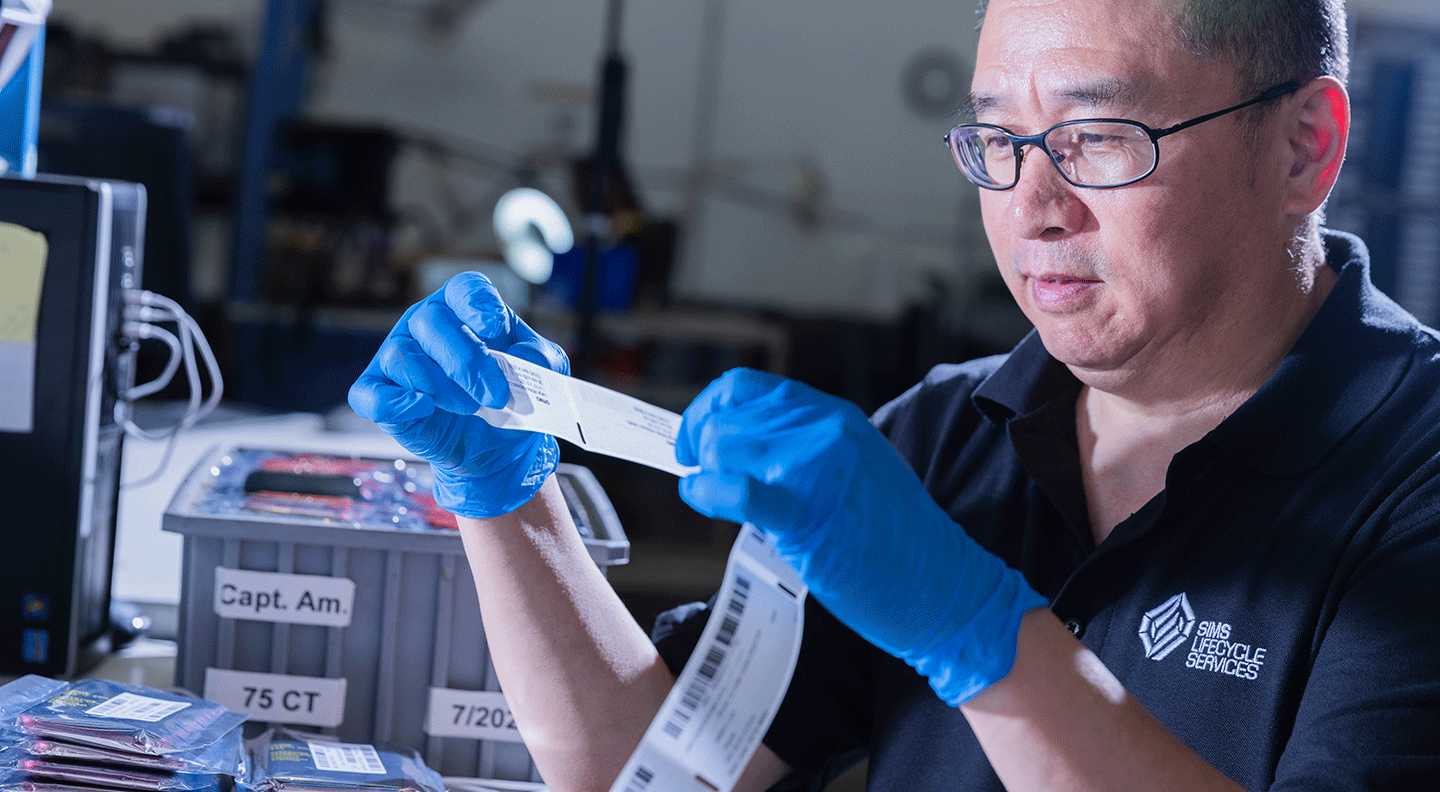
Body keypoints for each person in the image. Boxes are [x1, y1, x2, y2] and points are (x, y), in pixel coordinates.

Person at [349, 0, 1440, 789]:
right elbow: (653, 767)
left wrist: (974, 626)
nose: (1032, 204)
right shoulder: (941, 435)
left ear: (1305, 148)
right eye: (1002, 141)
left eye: (1099, 138)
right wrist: (501, 490)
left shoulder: (1414, 473)